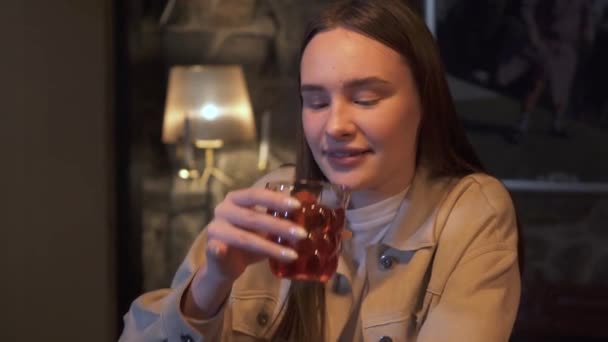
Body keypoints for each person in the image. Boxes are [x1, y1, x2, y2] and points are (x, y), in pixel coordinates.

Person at [120, 1, 521, 341]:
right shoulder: (270, 202)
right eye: (316, 102)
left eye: (365, 99)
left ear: (425, 103)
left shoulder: (470, 210)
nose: (335, 126)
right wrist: (208, 288)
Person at [496, 0, 594, 138]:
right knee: (537, 83)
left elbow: (587, 16)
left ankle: (557, 123)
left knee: (562, 89)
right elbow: (527, 7)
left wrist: (588, 36)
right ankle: (522, 124)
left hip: (567, 49)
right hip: (546, 43)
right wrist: (534, 35)